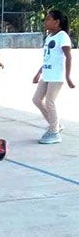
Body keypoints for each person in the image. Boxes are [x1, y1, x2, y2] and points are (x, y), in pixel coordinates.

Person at [32, 10, 75, 144]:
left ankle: (54, 132)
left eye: (48, 19)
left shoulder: (62, 36)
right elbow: (47, 57)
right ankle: (55, 124)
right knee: (37, 99)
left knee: (50, 101)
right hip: (47, 73)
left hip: (56, 75)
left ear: (57, 22)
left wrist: (68, 76)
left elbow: (68, 56)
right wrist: (39, 72)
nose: (45, 21)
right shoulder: (50, 36)